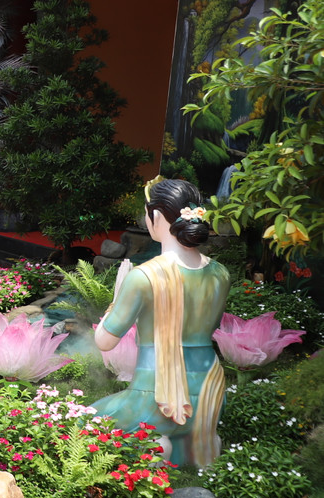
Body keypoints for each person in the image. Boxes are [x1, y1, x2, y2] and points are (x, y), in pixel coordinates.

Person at [93, 178, 231, 467]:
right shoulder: (220, 274)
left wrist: (115, 302)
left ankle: (154, 452)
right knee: (186, 444)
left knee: (85, 422)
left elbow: (104, 341)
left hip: (157, 395)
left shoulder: (144, 276)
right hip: (208, 394)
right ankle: (195, 449)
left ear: (155, 216)